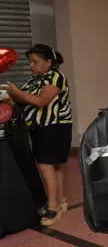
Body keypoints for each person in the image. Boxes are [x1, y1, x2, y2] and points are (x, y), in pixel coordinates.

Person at [0, 44, 72, 226]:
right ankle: (60, 200)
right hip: (38, 127)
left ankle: (53, 208)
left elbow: (41, 101)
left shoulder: (55, 77)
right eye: (30, 61)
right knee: (53, 165)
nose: (31, 65)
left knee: (45, 166)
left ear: (49, 62)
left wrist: (17, 93)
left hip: (54, 126)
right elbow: (21, 100)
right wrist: (8, 96)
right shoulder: (35, 79)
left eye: (35, 61)